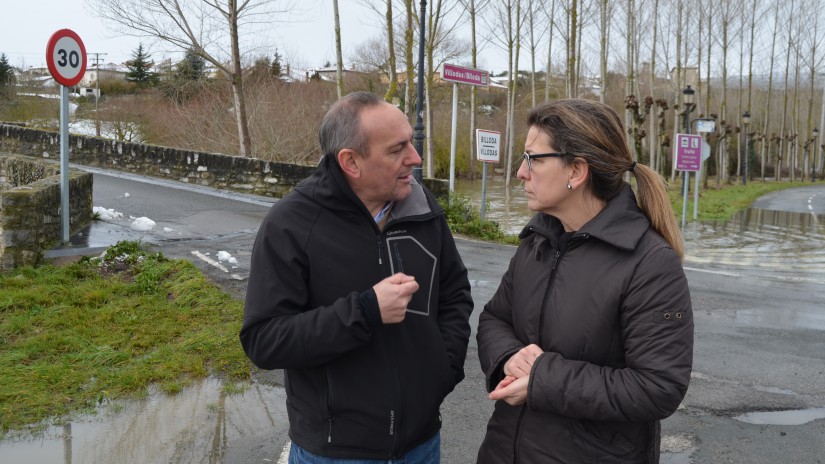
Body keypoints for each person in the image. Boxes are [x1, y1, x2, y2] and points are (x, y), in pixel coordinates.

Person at [240, 91, 473, 463]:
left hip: (423, 444)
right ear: (351, 161)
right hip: (336, 452)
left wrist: (443, 371)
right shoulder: (291, 224)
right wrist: (363, 311)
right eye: (397, 149)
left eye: (410, 143)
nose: (415, 159)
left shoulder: (423, 207)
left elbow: (455, 293)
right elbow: (264, 340)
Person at [476, 98, 694, 464]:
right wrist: (509, 356)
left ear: (576, 171)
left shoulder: (650, 264)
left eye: (533, 158)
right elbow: (494, 318)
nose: (520, 172)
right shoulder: (538, 240)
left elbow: (658, 387)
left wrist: (543, 379)